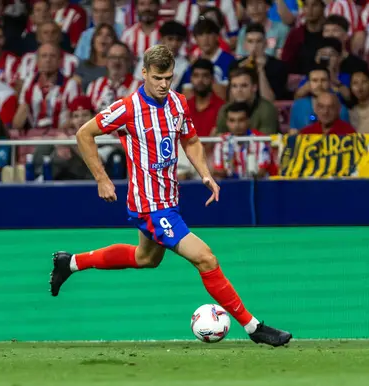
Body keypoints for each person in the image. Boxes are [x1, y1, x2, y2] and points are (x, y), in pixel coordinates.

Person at [49, 44, 292, 347]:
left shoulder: (178, 103)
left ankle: (70, 263)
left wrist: (204, 172)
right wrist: (102, 179)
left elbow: (190, 140)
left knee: (146, 258)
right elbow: (84, 133)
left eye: (169, 78)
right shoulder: (127, 108)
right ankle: (254, 327)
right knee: (205, 258)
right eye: (158, 78)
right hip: (149, 205)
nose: (164, 85)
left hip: (169, 200)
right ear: (144, 74)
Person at [229, 22, 290, 101]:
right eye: (250, 41)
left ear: (265, 44)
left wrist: (261, 71)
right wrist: (240, 71)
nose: (254, 46)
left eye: (259, 41)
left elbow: (270, 101)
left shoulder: (278, 66)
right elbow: (231, 99)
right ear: (245, 45)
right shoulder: (236, 65)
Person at [213, 102, 271, 178]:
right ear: (227, 122)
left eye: (241, 120)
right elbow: (218, 172)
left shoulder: (260, 140)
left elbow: (262, 172)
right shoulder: (221, 143)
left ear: (248, 120)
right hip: (229, 186)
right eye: (232, 120)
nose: (236, 125)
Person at [215, 67, 280, 134]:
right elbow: (219, 137)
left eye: (244, 86)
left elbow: (265, 140)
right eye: (234, 86)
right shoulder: (224, 109)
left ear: (254, 87)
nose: (239, 90)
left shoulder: (267, 109)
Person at [289, 65, 351, 133]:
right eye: (315, 80)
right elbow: (293, 135)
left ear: (329, 83)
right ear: (309, 84)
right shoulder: (298, 107)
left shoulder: (341, 109)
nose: (319, 84)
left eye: (323, 80)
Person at [280, 0, 325, 75]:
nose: (310, 10)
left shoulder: (330, 34)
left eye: (314, 5)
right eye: (306, 5)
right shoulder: (295, 35)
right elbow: (286, 63)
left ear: (322, 8)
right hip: (300, 82)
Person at [187, 59, 225, 138]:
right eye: (196, 75)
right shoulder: (183, 107)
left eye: (205, 76)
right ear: (191, 78)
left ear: (212, 79)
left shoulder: (222, 107)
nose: (200, 80)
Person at [75, 24, 118, 91]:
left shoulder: (117, 67)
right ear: (93, 41)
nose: (104, 37)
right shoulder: (83, 65)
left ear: (114, 43)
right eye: (99, 34)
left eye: (108, 35)